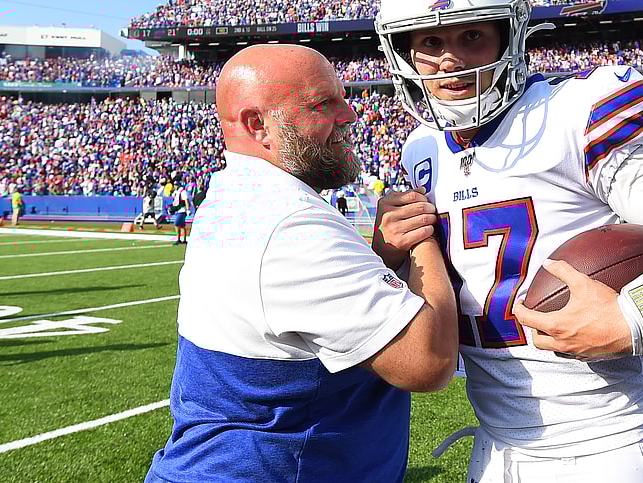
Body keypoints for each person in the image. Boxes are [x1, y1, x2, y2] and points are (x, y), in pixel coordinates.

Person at [374, 1, 643, 481]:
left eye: (473, 36)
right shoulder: (422, 147)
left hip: (606, 442)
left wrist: (636, 320)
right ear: (403, 52)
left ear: (510, 36)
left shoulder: (575, 112)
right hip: (494, 447)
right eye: (431, 42)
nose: (450, 59)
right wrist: (392, 253)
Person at [144, 45, 458, 483]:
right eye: (323, 104)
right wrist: (423, 233)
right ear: (258, 124)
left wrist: (383, 256)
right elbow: (427, 361)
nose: (349, 116)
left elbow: (304, 309)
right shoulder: (291, 222)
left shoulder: (241, 194)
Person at [169, 176, 191, 245]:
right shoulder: (176, 192)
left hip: (182, 210)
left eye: (176, 185)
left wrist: (187, 209)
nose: (174, 186)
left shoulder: (183, 191)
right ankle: (183, 240)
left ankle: (178, 239)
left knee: (176, 224)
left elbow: (186, 200)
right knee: (182, 226)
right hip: (178, 210)